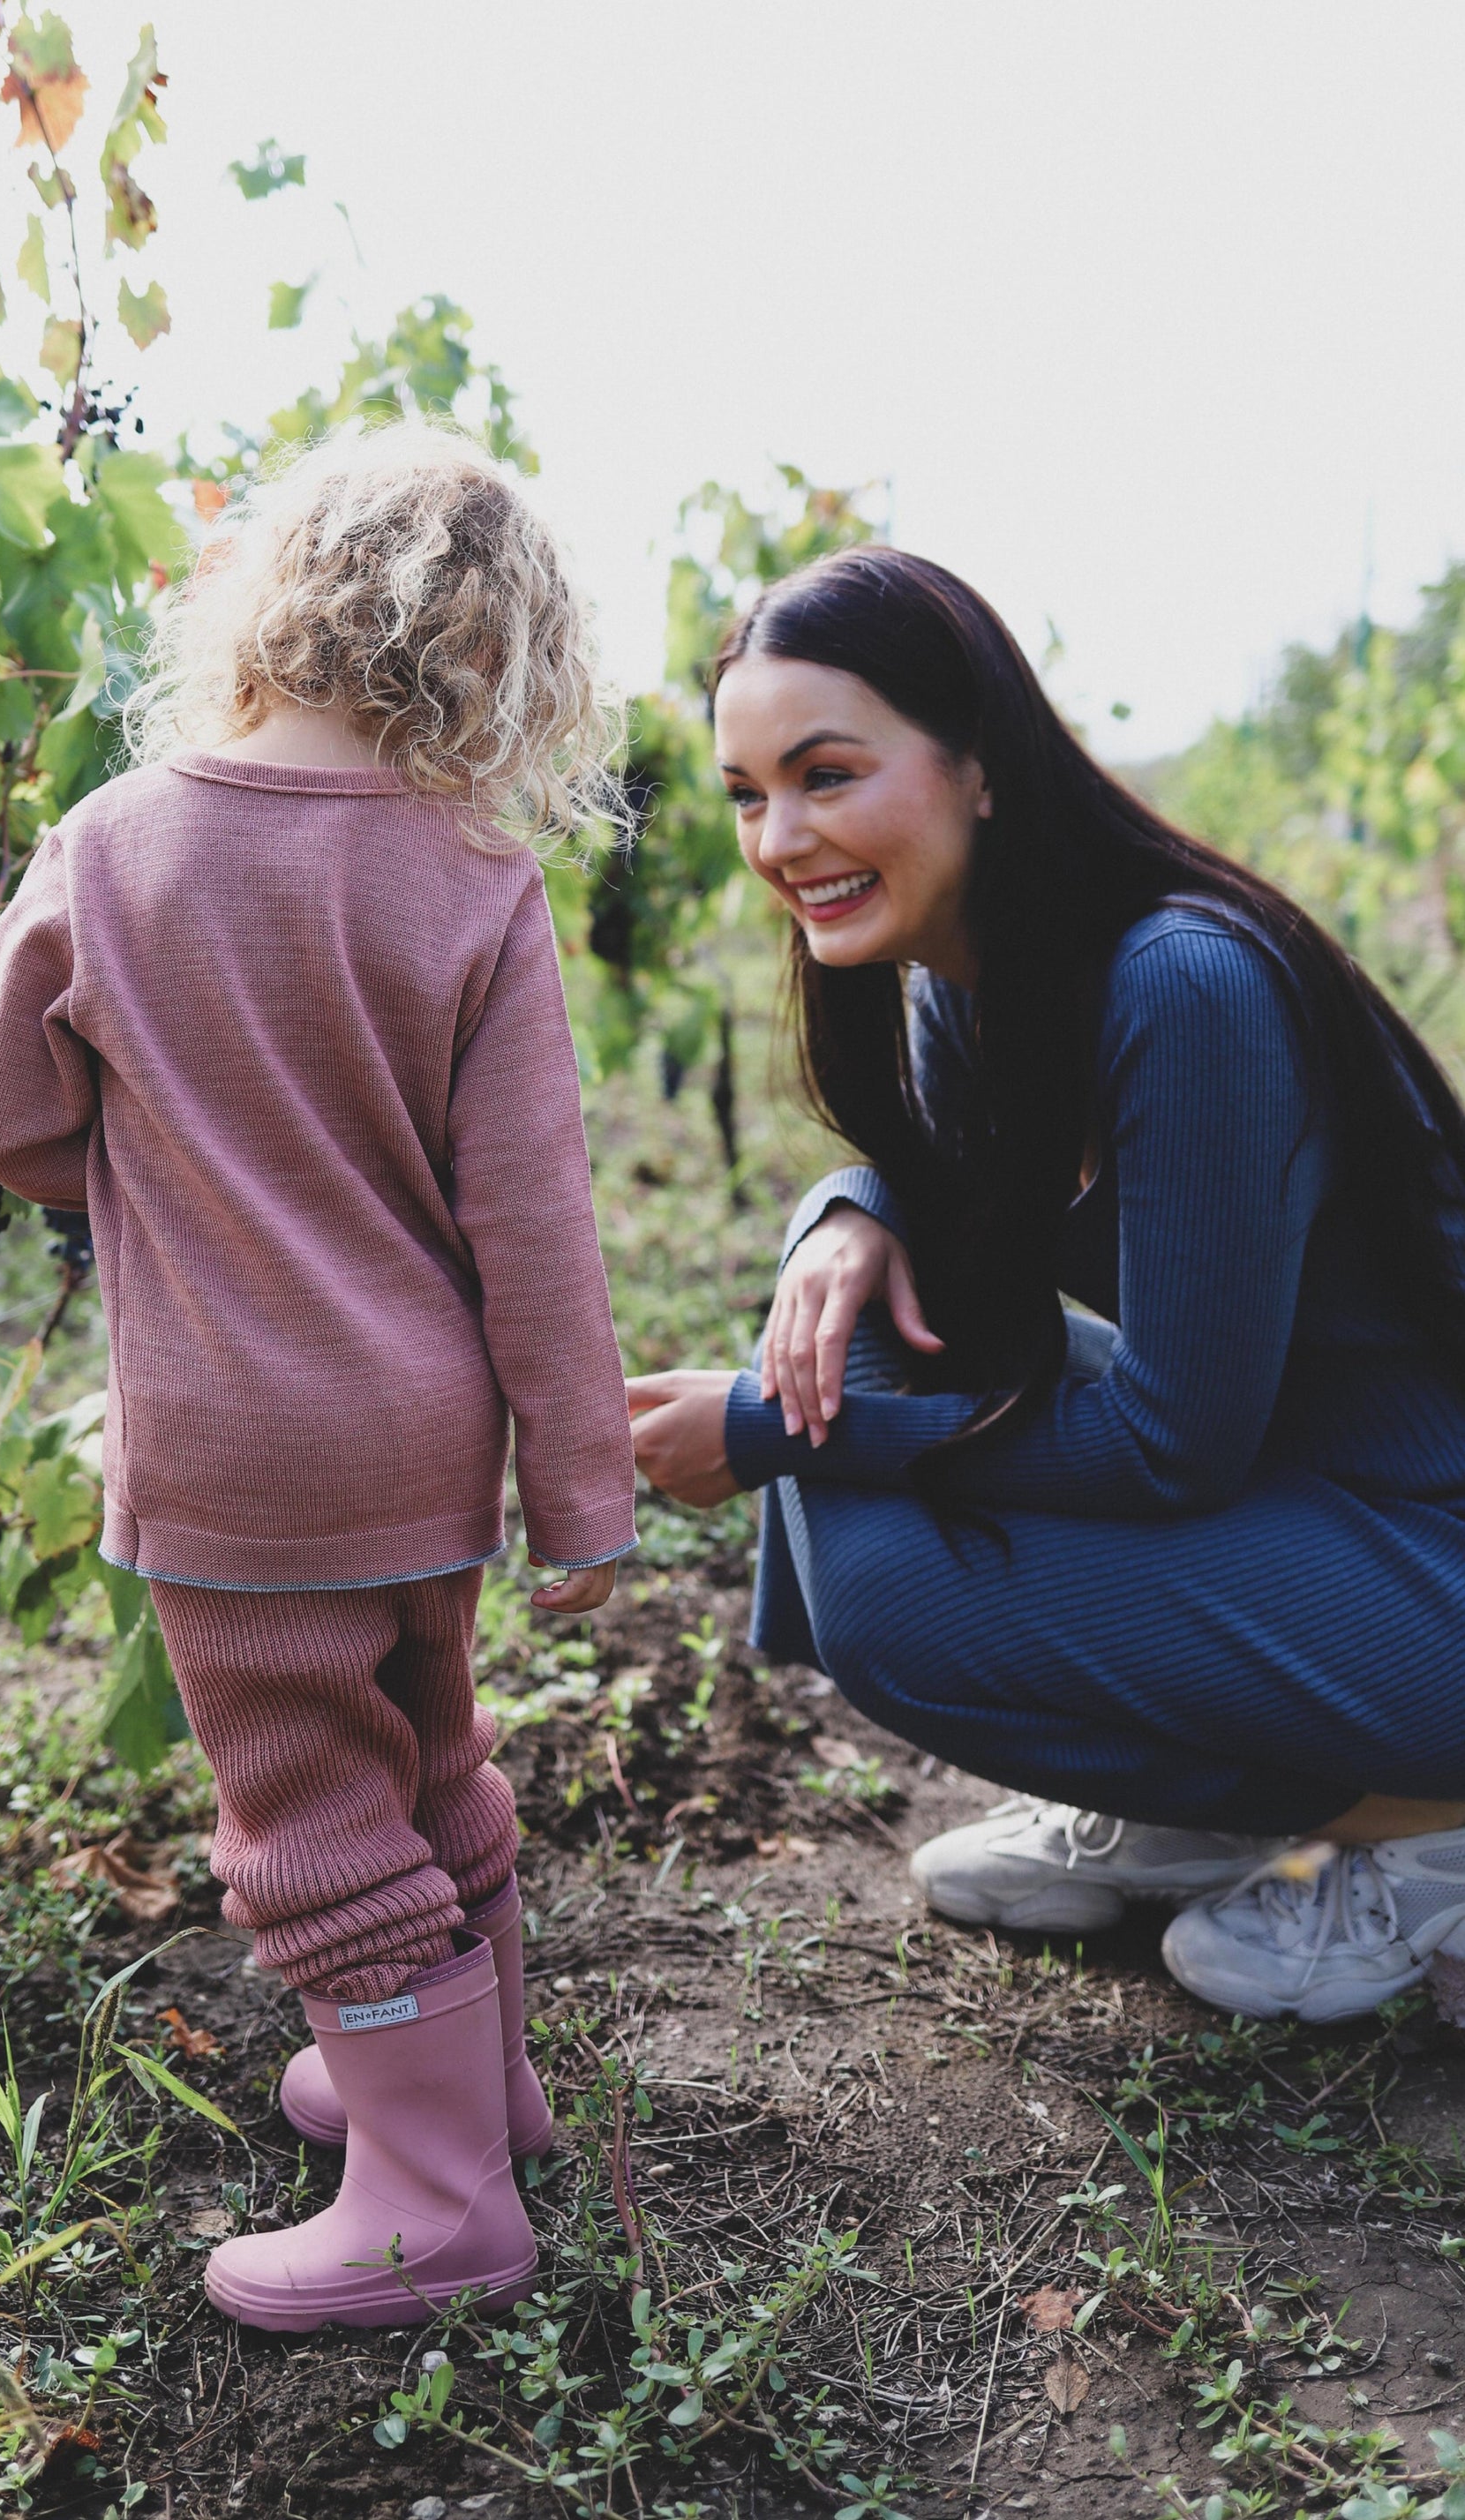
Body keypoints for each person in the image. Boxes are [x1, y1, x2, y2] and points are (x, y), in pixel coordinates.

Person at [0, 423, 637, 2329]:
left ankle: (432, 2199)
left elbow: (2, 1113)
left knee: (313, 1816)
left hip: (239, 1454)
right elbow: (535, 1225)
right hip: (424, 1442)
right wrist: (579, 1491)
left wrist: (146, 1179)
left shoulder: (115, 844)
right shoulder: (479, 880)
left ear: (271, 600)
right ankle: (470, 2094)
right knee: (428, 1755)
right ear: (508, 662)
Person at [627, 544, 1465, 2030]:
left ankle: (1425, 1831)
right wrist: (849, 1207)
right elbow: (953, 1214)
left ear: (981, 768)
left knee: (884, 1569)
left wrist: (767, 1434)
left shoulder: (1180, 985)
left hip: (1429, 1550)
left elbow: (1173, 1444)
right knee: (850, 1340)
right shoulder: (972, 977)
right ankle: (1212, 1813)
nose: (780, 836)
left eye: (827, 773)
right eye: (750, 792)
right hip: (1313, 1493)